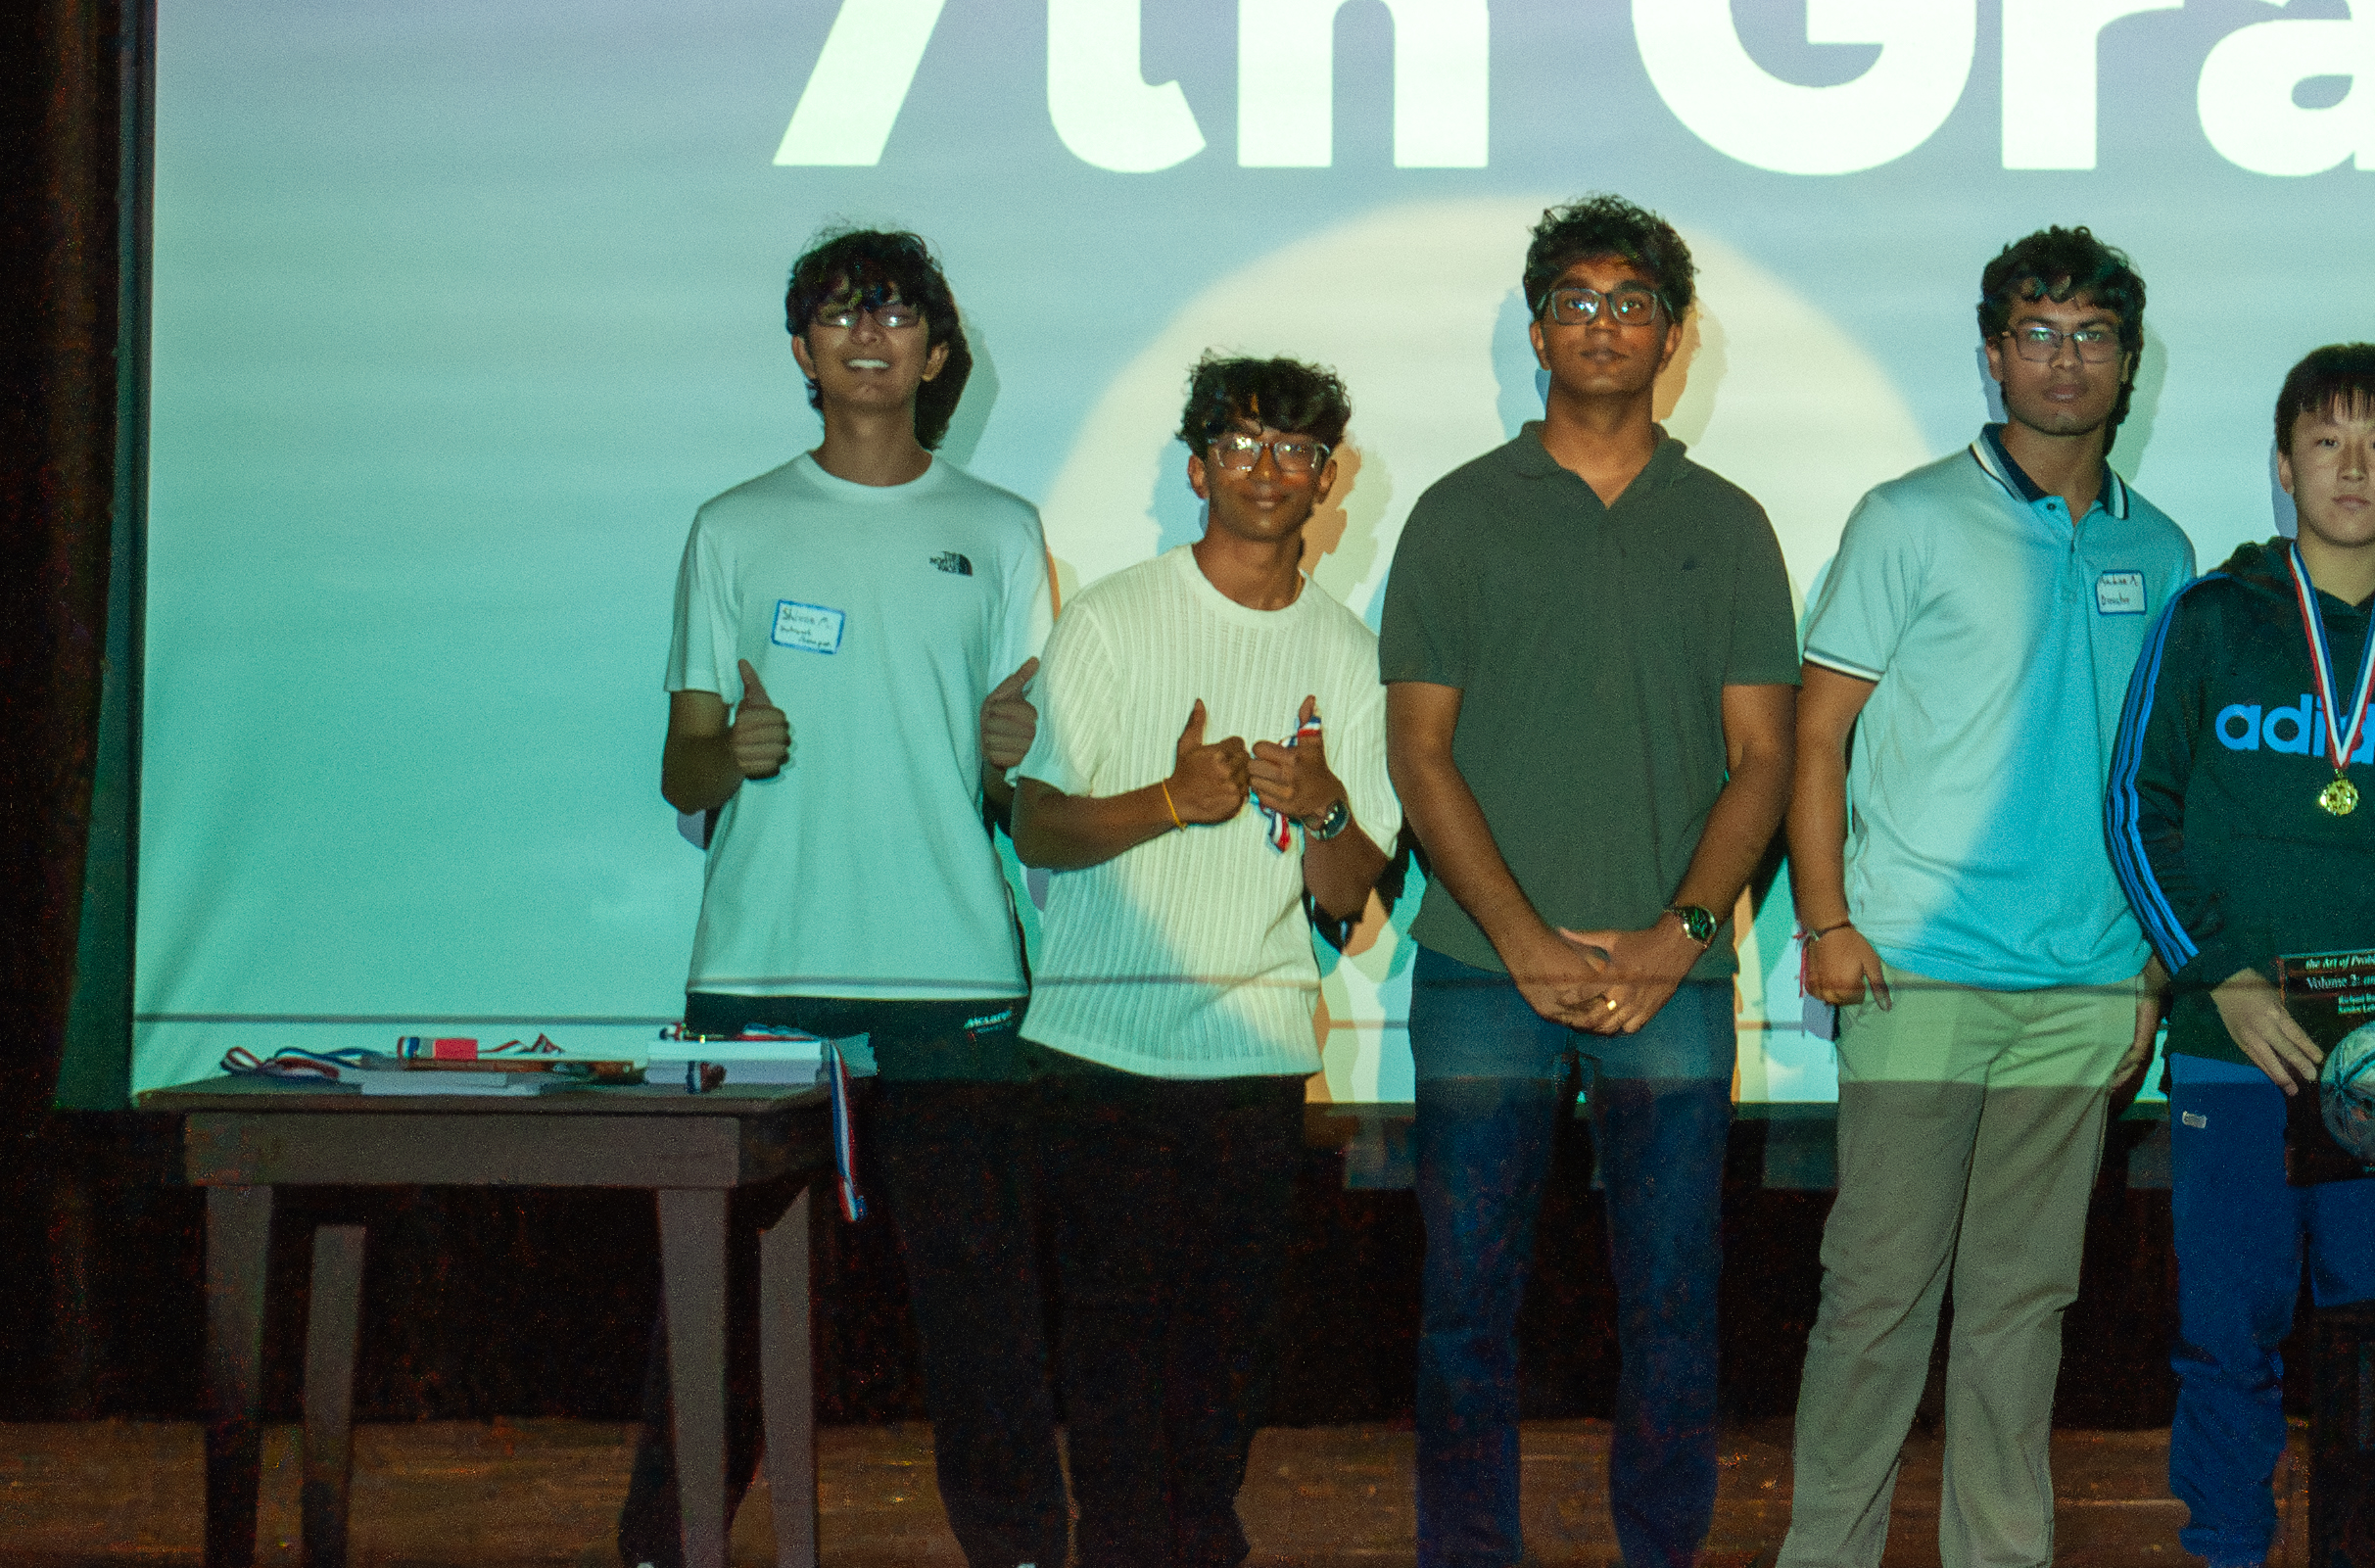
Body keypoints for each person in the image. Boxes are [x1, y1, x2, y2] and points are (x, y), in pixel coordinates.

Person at [631, 227, 1065, 1568]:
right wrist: (731, 751)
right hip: (762, 970)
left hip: (956, 972)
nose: (867, 334)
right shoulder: (734, 524)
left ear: (936, 353)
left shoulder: (1001, 530)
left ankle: (1022, 1549)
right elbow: (682, 766)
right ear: (802, 350)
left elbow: (1022, 778)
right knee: (714, 1303)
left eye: (895, 315)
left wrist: (1016, 755)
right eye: (838, 313)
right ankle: (662, 1541)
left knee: (981, 1306)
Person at [1379, 196, 1801, 1568]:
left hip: (1672, 983)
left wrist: (1681, 936)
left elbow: (1765, 758)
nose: (1602, 324)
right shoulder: (1456, 513)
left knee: (1673, 1307)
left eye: (1631, 303)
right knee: (1464, 1307)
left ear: (1675, 336)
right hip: (1477, 974)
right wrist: (1521, 940)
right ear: (1536, 329)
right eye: (1575, 300)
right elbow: (1418, 754)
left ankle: (1661, 1549)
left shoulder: (1729, 524)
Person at [1776, 226, 2195, 1568]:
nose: (2065, 360)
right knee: (1877, 1300)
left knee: (2024, 1311)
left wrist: (2147, 967)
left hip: (2085, 988)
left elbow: (2160, 778)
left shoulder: (2163, 548)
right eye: (2037, 333)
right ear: (1993, 355)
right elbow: (1816, 734)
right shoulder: (1906, 517)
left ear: (2128, 362)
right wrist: (1826, 923)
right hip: (1918, 969)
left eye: (2092, 335)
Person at [2104, 342, 2375, 1568]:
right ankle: (2228, 1543)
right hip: (2235, 1042)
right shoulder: (2210, 617)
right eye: (2325, 441)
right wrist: (2219, 973)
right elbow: (2135, 809)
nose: (2351, 466)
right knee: (2226, 1333)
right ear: (2282, 465)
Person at [1009, 354, 1400, 1568]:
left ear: (1327, 480)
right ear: (1197, 469)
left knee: (1229, 1348)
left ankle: (1200, 1538)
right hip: (1099, 1044)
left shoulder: (1349, 653)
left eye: (1294, 449)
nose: (1265, 468)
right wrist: (1169, 802)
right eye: (1239, 443)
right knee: (1111, 1349)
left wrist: (1326, 805)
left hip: (1255, 1052)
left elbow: (1348, 894)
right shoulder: (1113, 617)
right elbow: (1036, 824)